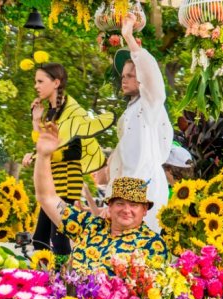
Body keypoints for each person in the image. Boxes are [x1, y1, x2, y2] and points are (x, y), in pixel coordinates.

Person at [34, 122, 167, 275]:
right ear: (109, 206)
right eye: (120, 203)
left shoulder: (153, 244)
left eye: (133, 205)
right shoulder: (89, 226)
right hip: (68, 297)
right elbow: (47, 197)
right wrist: (43, 156)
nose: (126, 209)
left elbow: (148, 294)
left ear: (144, 210)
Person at [21, 62, 114, 255]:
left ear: (56, 82)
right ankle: (47, 279)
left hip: (65, 185)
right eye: (35, 81)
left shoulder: (73, 113)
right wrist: (36, 120)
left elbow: (70, 151)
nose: (36, 86)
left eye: (40, 81)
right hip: (51, 183)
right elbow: (43, 143)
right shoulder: (50, 112)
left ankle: (65, 282)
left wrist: (43, 155)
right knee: (40, 239)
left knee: (59, 239)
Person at [106, 13, 173, 232]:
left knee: (143, 252)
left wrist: (128, 37)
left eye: (131, 75)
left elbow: (153, 77)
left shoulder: (150, 104)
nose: (124, 79)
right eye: (123, 75)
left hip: (146, 191)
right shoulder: (131, 110)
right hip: (126, 193)